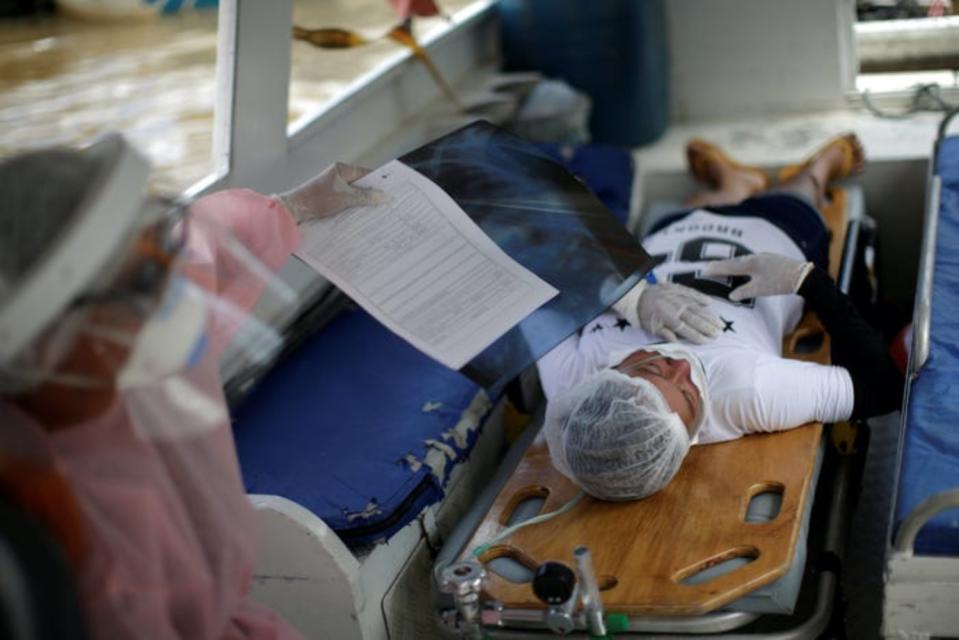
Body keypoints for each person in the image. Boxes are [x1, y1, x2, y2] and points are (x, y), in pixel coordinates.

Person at [0, 134, 385, 639]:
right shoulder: (42, 517)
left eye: (160, 241)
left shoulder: (124, 339)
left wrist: (296, 207)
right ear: (42, 338)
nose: (170, 283)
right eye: (143, 278)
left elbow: (204, 240)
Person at [540, 134, 905, 501]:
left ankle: (733, 186)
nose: (682, 366)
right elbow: (883, 389)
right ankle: (816, 171)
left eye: (653, 368)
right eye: (691, 395)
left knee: (698, 207)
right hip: (776, 231)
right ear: (688, 436)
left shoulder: (571, 381)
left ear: (606, 378)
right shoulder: (746, 392)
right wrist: (808, 281)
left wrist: (626, 295)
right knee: (795, 192)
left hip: (670, 231)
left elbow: (538, 279)